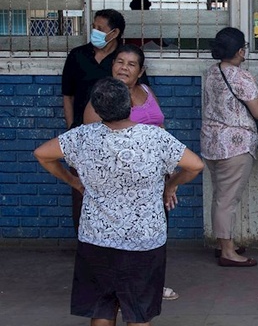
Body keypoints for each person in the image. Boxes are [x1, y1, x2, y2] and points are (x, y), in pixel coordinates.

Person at [34, 77, 204, 326]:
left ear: (97, 108)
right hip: (144, 239)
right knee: (139, 312)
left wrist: (73, 182)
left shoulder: (82, 136)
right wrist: (171, 185)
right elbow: (195, 165)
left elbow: (42, 154)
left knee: (101, 310)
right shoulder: (154, 137)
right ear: (129, 105)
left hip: (96, 238)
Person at [82, 44, 179, 300]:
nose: (124, 67)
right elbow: (92, 145)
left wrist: (170, 175)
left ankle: (153, 286)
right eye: (119, 61)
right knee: (121, 240)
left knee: (155, 235)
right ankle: (120, 292)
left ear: (140, 71)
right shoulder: (100, 100)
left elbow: (162, 129)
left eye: (131, 64)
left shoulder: (147, 91)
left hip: (154, 180)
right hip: (120, 185)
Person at [62, 9, 147, 233]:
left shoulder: (125, 59)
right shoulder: (78, 55)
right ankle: (84, 241)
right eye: (94, 27)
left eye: (100, 29)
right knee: (81, 192)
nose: (95, 32)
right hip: (82, 136)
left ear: (115, 32)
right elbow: (67, 95)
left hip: (118, 139)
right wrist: (72, 128)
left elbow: (140, 94)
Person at [201, 27, 258, 267]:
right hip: (235, 146)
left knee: (219, 197)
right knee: (228, 200)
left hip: (211, 143)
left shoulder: (211, 72)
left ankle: (223, 243)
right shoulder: (242, 77)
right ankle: (228, 252)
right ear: (240, 50)